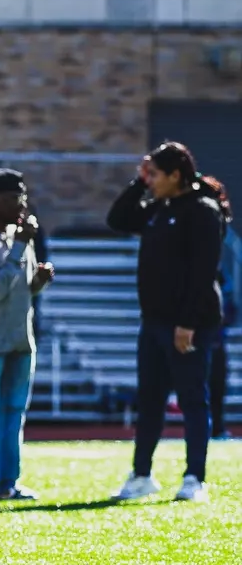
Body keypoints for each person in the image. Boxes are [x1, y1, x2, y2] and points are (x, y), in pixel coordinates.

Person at [108, 143, 227, 503]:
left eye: (156, 175)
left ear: (176, 175)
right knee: (150, 399)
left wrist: (187, 324)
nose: (152, 181)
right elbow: (118, 220)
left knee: (193, 399)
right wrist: (139, 182)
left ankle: (195, 478)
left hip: (189, 325)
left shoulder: (203, 211)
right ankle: (142, 474)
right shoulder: (159, 209)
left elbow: (203, 272)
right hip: (155, 322)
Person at [0, 168, 55, 501]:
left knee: (13, 412)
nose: (21, 207)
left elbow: (21, 289)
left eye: (24, 199)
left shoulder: (20, 236)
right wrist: (19, 248)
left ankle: (7, 482)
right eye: (14, 200)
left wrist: (38, 283)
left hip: (21, 338)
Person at [211, 180, 235, 440]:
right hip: (193, 328)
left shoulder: (218, 270)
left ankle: (217, 427)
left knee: (216, 383)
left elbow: (228, 301)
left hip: (213, 333)